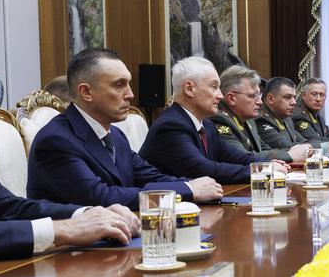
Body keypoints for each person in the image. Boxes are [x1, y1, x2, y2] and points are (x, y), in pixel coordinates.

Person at [27, 48, 223, 210]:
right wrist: (187, 190)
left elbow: (152, 177)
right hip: (71, 252)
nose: (130, 94)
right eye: (119, 85)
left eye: (128, 84)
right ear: (86, 92)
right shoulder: (56, 140)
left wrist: (197, 185)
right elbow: (100, 197)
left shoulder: (115, 135)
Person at [140, 57, 289, 184]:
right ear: (190, 89)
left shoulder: (207, 126)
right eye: (214, 87)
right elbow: (203, 170)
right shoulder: (171, 126)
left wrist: (265, 164)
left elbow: (236, 157)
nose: (220, 95)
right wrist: (261, 170)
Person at [0, 176, 138, 261]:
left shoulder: (116, 135)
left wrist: (90, 214)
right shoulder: (54, 138)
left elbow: (10, 207)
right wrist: (60, 229)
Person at [210, 66, 310, 163]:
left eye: (259, 95)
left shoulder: (249, 121)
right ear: (232, 98)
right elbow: (242, 157)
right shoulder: (220, 121)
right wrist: (290, 155)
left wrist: (294, 151)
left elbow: (264, 149)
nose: (260, 102)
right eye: (252, 96)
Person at [291, 78, 329, 154]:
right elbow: (315, 140)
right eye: (314, 94)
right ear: (303, 96)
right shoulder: (298, 115)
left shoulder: (317, 115)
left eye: (322, 95)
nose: (318, 99)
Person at [256, 77, 314, 150]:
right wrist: (327, 147)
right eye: (287, 97)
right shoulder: (261, 120)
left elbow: (304, 142)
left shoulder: (287, 119)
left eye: (294, 97)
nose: (294, 102)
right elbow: (285, 146)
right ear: (270, 99)